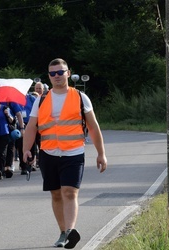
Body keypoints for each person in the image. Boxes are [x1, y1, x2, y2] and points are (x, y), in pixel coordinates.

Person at [22, 58, 107, 248]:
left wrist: (101, 153)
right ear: (49, 76)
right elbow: (31, 127)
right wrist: (26, 150)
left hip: (73, 153)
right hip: (48, 153)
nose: (57, 76)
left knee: (69, 192)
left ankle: (70, 232)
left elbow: (93, 127)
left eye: (60, 72)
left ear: (68, 73)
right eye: (53, 73)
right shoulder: (41, 99)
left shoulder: (80, 97)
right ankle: (62, 232)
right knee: (56, 194)